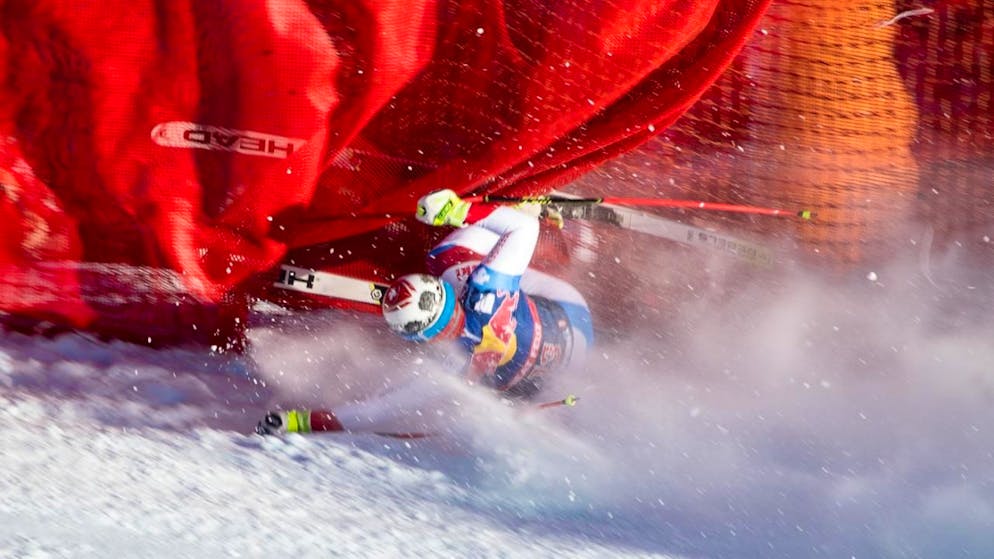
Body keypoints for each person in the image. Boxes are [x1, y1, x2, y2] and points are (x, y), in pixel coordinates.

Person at [257, 189, 593, 436]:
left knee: (483, 388)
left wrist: (295, 422)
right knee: (446, 255)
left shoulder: (445, 371)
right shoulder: (487, 289)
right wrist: (458, 210)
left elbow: (372, 413)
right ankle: (522, 209)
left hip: (565, 369)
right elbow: (524, 230)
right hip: (571, 314)